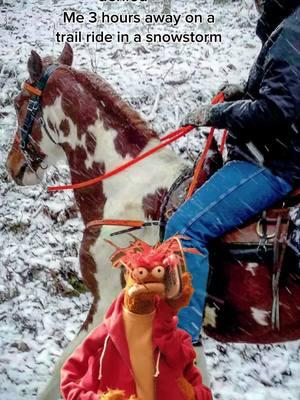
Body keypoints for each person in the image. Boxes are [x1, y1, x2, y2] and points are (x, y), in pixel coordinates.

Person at [164, 0, 300, 344]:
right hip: (280, 153)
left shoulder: (293, 32)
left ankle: (183, 348)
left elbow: (275, 110)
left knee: (184, 229)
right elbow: (283, 91)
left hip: (272, 162)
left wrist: (219, 114)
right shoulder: (289, 25)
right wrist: (245, 92)